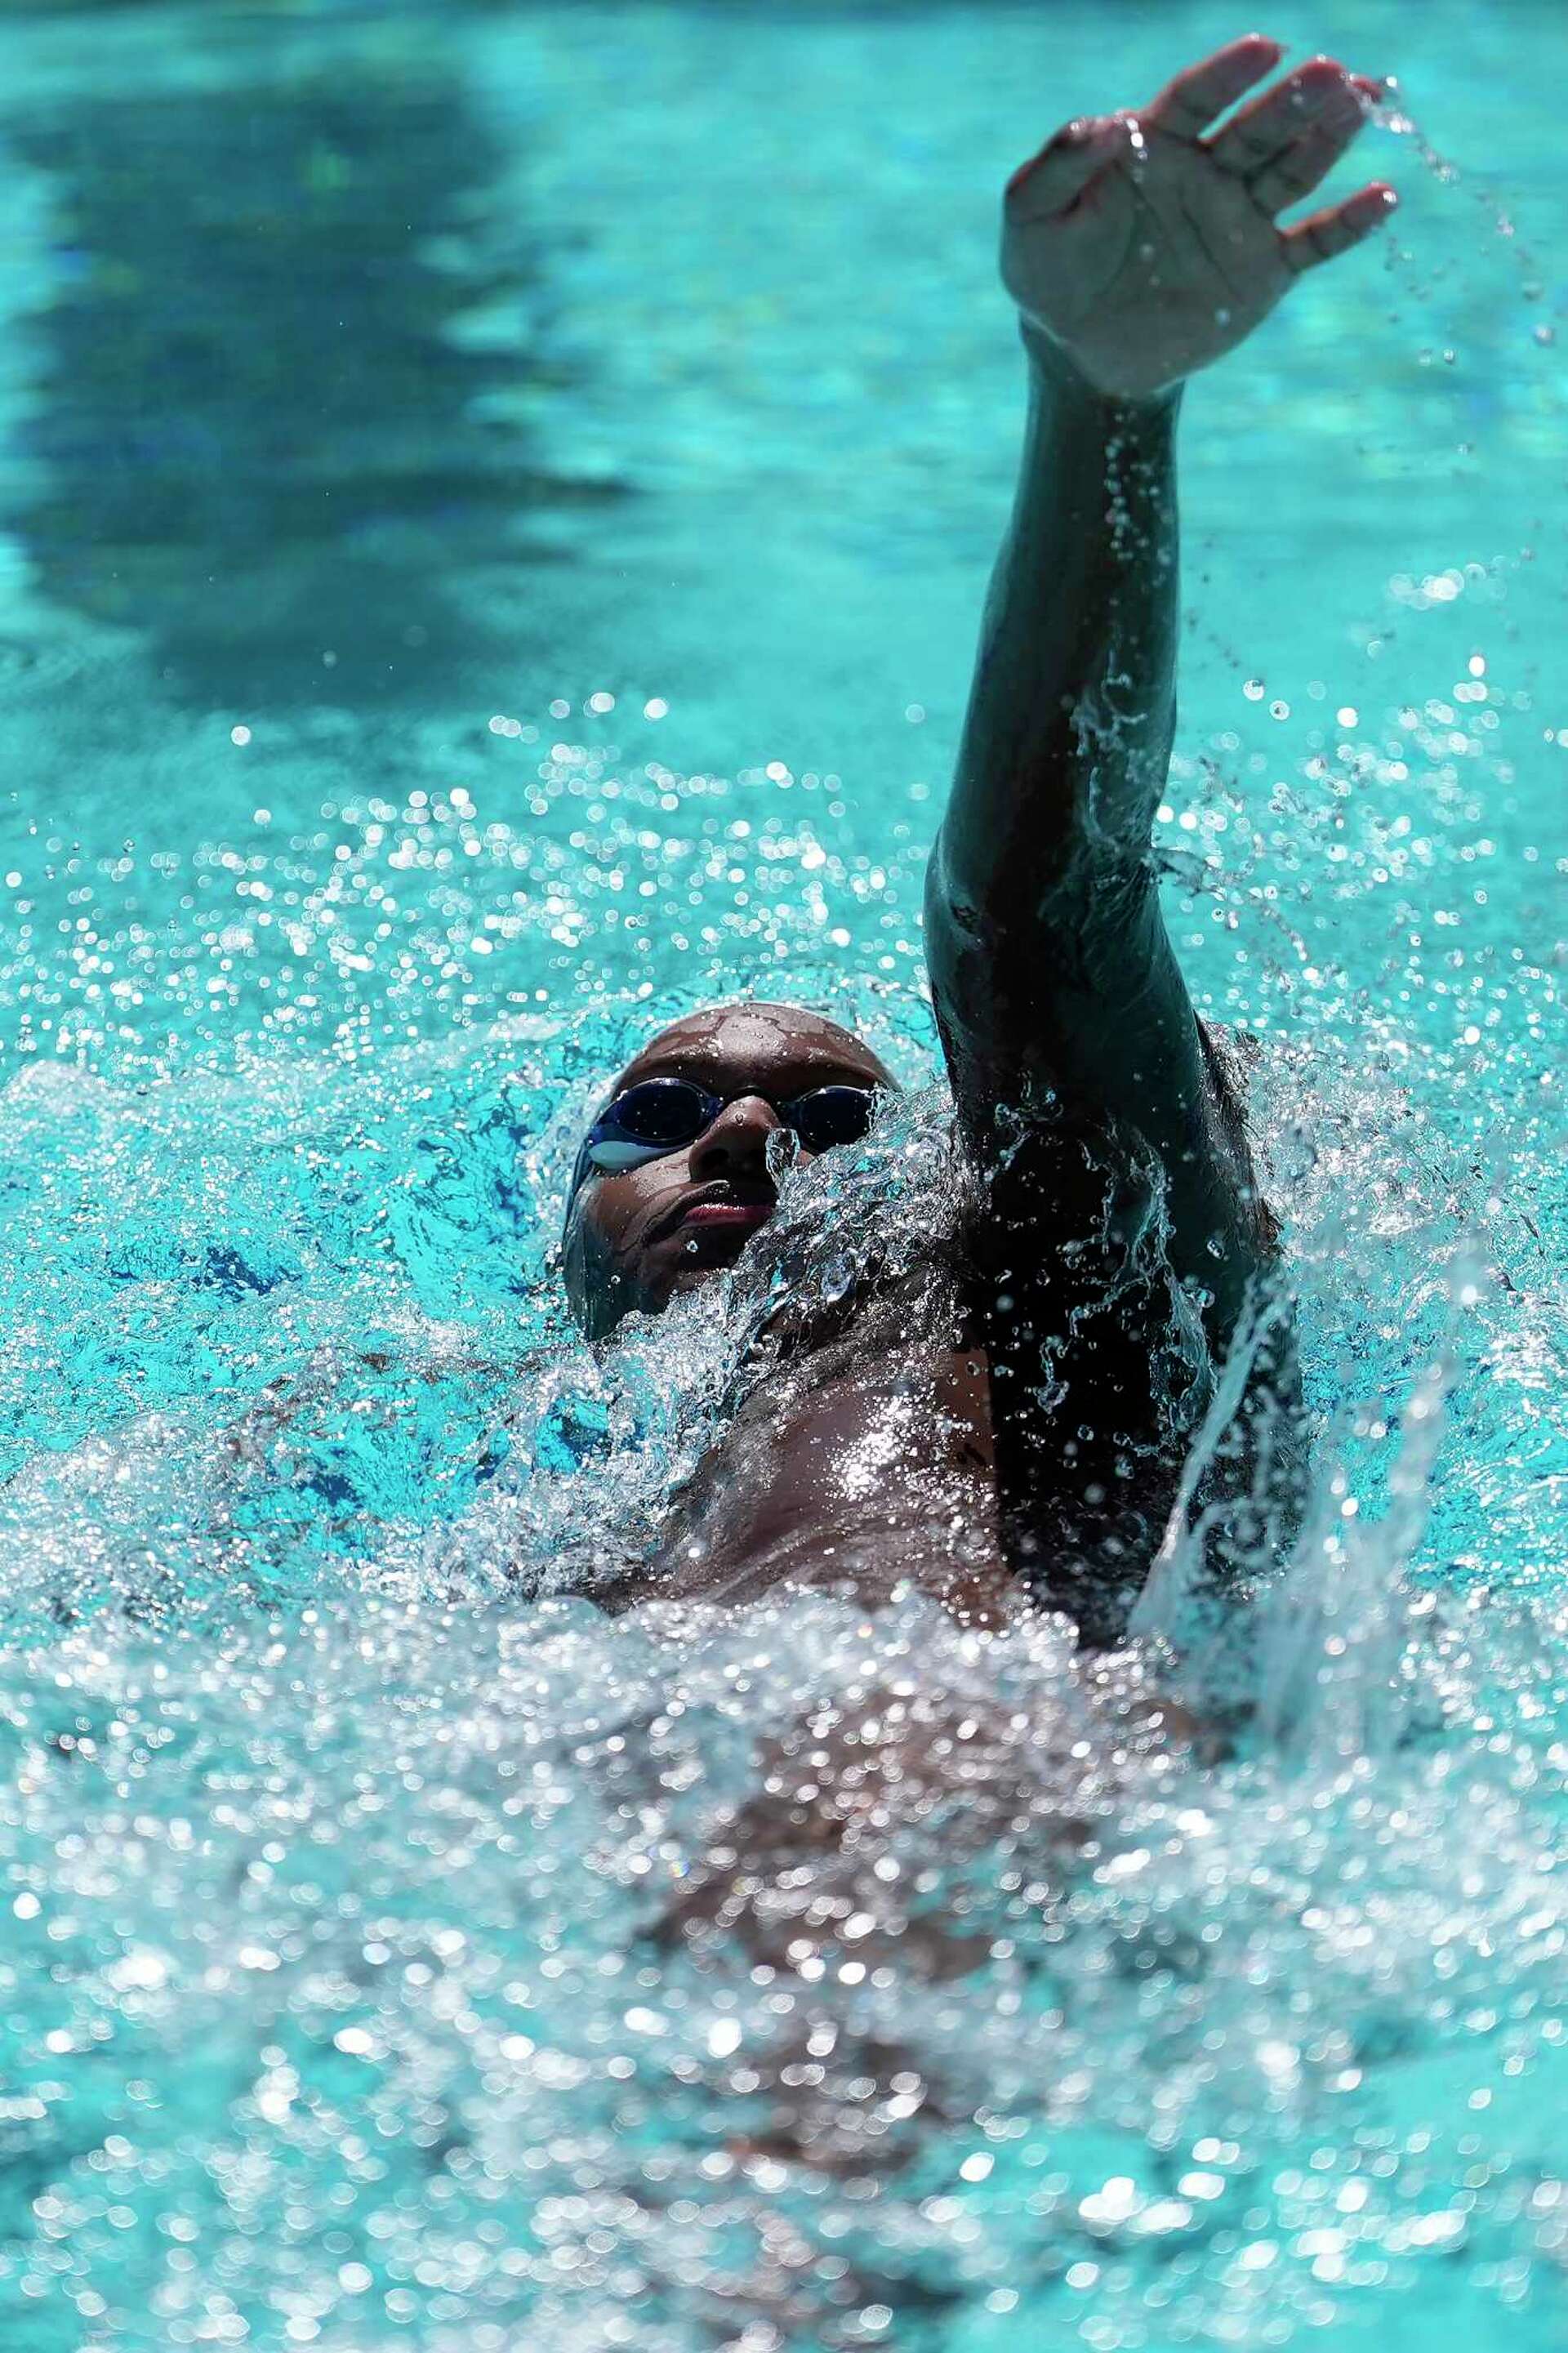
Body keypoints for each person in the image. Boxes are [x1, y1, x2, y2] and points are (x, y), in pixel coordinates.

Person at [559, 36, 1394, 1646]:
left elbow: (1039, 915)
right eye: (658, 1111)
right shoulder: (536, 1495)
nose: (740, 1144)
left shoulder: (1033, 1290)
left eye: (840, 1119)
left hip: (947, 1780)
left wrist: (1103, 403)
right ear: (558, 1262)